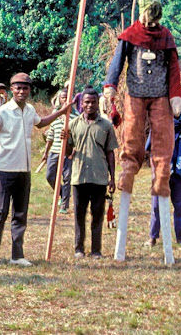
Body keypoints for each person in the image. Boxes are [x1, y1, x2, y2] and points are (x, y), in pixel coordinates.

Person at [103, 0, 181, 265]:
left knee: (163, 145)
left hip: (162, 98)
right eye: (147, 21)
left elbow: (175, 69)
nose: (150, 27)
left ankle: (161, 179)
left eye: (155, 22)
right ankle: (126, 173)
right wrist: (109, 89)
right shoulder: (129, 36)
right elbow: (116, 66)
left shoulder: (165, 38)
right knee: (132, 141)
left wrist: (175, 95)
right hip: (135, 96)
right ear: (142, 16)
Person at [0, 72, 72, 268]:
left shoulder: (29, 110)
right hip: (4, 169)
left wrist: (61, 112)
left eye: (25, 88)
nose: (21, 91)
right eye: (18, 88)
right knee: (0, 212)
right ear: (12, 89)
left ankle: (17, 255)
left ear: (29, 90)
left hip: (24, 171)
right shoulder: (2, 112)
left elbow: (40, 123)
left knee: (20, 214)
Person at [64, 87, 118, 259]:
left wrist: (112, 178)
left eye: (93, 102)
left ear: (97, 103)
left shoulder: (106, 126)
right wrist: (64, 139)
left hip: (99, 177)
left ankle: (96, 250)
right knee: (79, 215)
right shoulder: (72, 124)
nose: (90, 105)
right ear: (81, 103)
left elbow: (110, 152)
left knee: (97, 216)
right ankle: (78, 248)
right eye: (86, 102)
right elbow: (68, 152)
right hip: (79, 176)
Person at [146, 108, 181, 246]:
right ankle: (153, 237)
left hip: (180, 173)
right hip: (161, 173)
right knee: (157, 206)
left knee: (180, 207)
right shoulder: (158, 123)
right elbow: (152, 150)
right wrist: (153, 173)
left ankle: (180, 237)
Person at [41, 88, 79, 214]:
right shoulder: (55, 115)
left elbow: (78, 137)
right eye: (63, 97)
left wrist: (74, 151)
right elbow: (50, 135)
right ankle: (61, 193)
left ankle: (64, 205)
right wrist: (46, 152)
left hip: (68, 153)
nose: (65, 99)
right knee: (50, 176)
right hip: (54, 151)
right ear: (60, 99)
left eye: (68, 97)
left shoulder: (76, 116)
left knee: (67, 178)